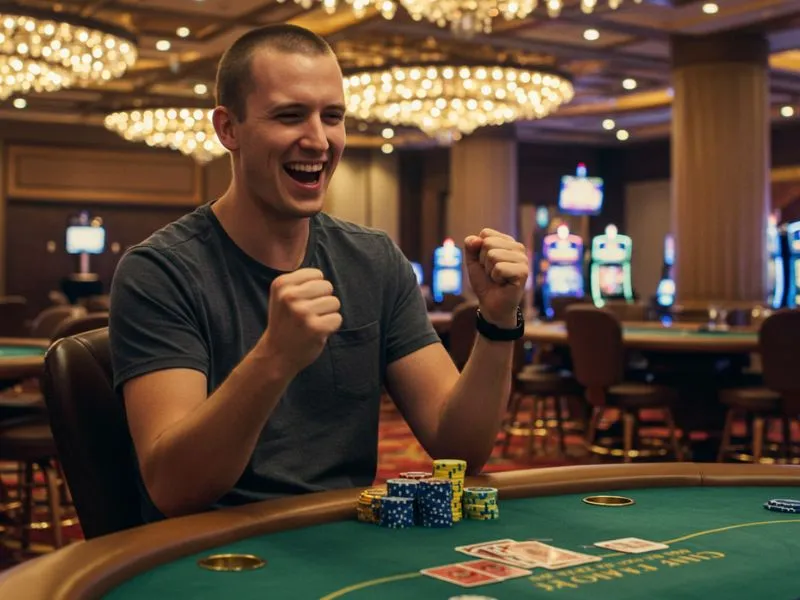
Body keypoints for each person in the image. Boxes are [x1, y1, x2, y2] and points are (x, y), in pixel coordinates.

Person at [109, 23, 530, 522]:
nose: (318, 140)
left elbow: (458, 447)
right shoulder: (160, 271)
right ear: (228, 130)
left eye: (333, 117)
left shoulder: (374, 261)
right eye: (290, 116)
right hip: (209, 552)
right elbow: (173, 488)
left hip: (346, 540)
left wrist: (498, 322)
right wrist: (274, 358)